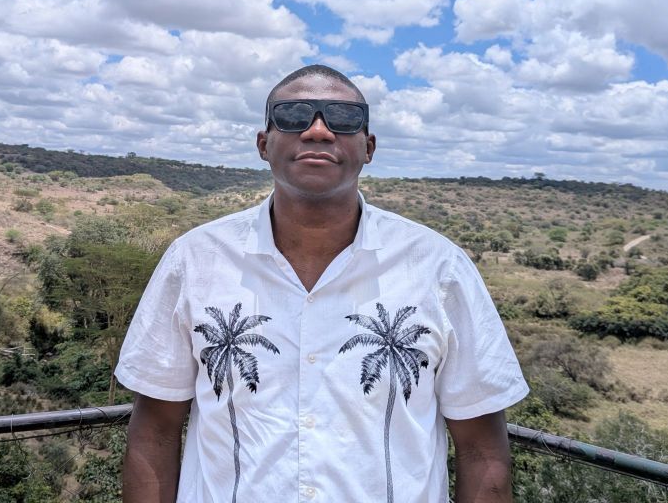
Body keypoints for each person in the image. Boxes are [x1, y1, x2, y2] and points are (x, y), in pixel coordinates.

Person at [116, 64, 528, 503]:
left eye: (343, 118)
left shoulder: (440, 268)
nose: (317, 131)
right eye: (293, 115)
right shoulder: (194, 259)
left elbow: (481, 449)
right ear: (263, 144)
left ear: (369, 147)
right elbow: (155, 431)